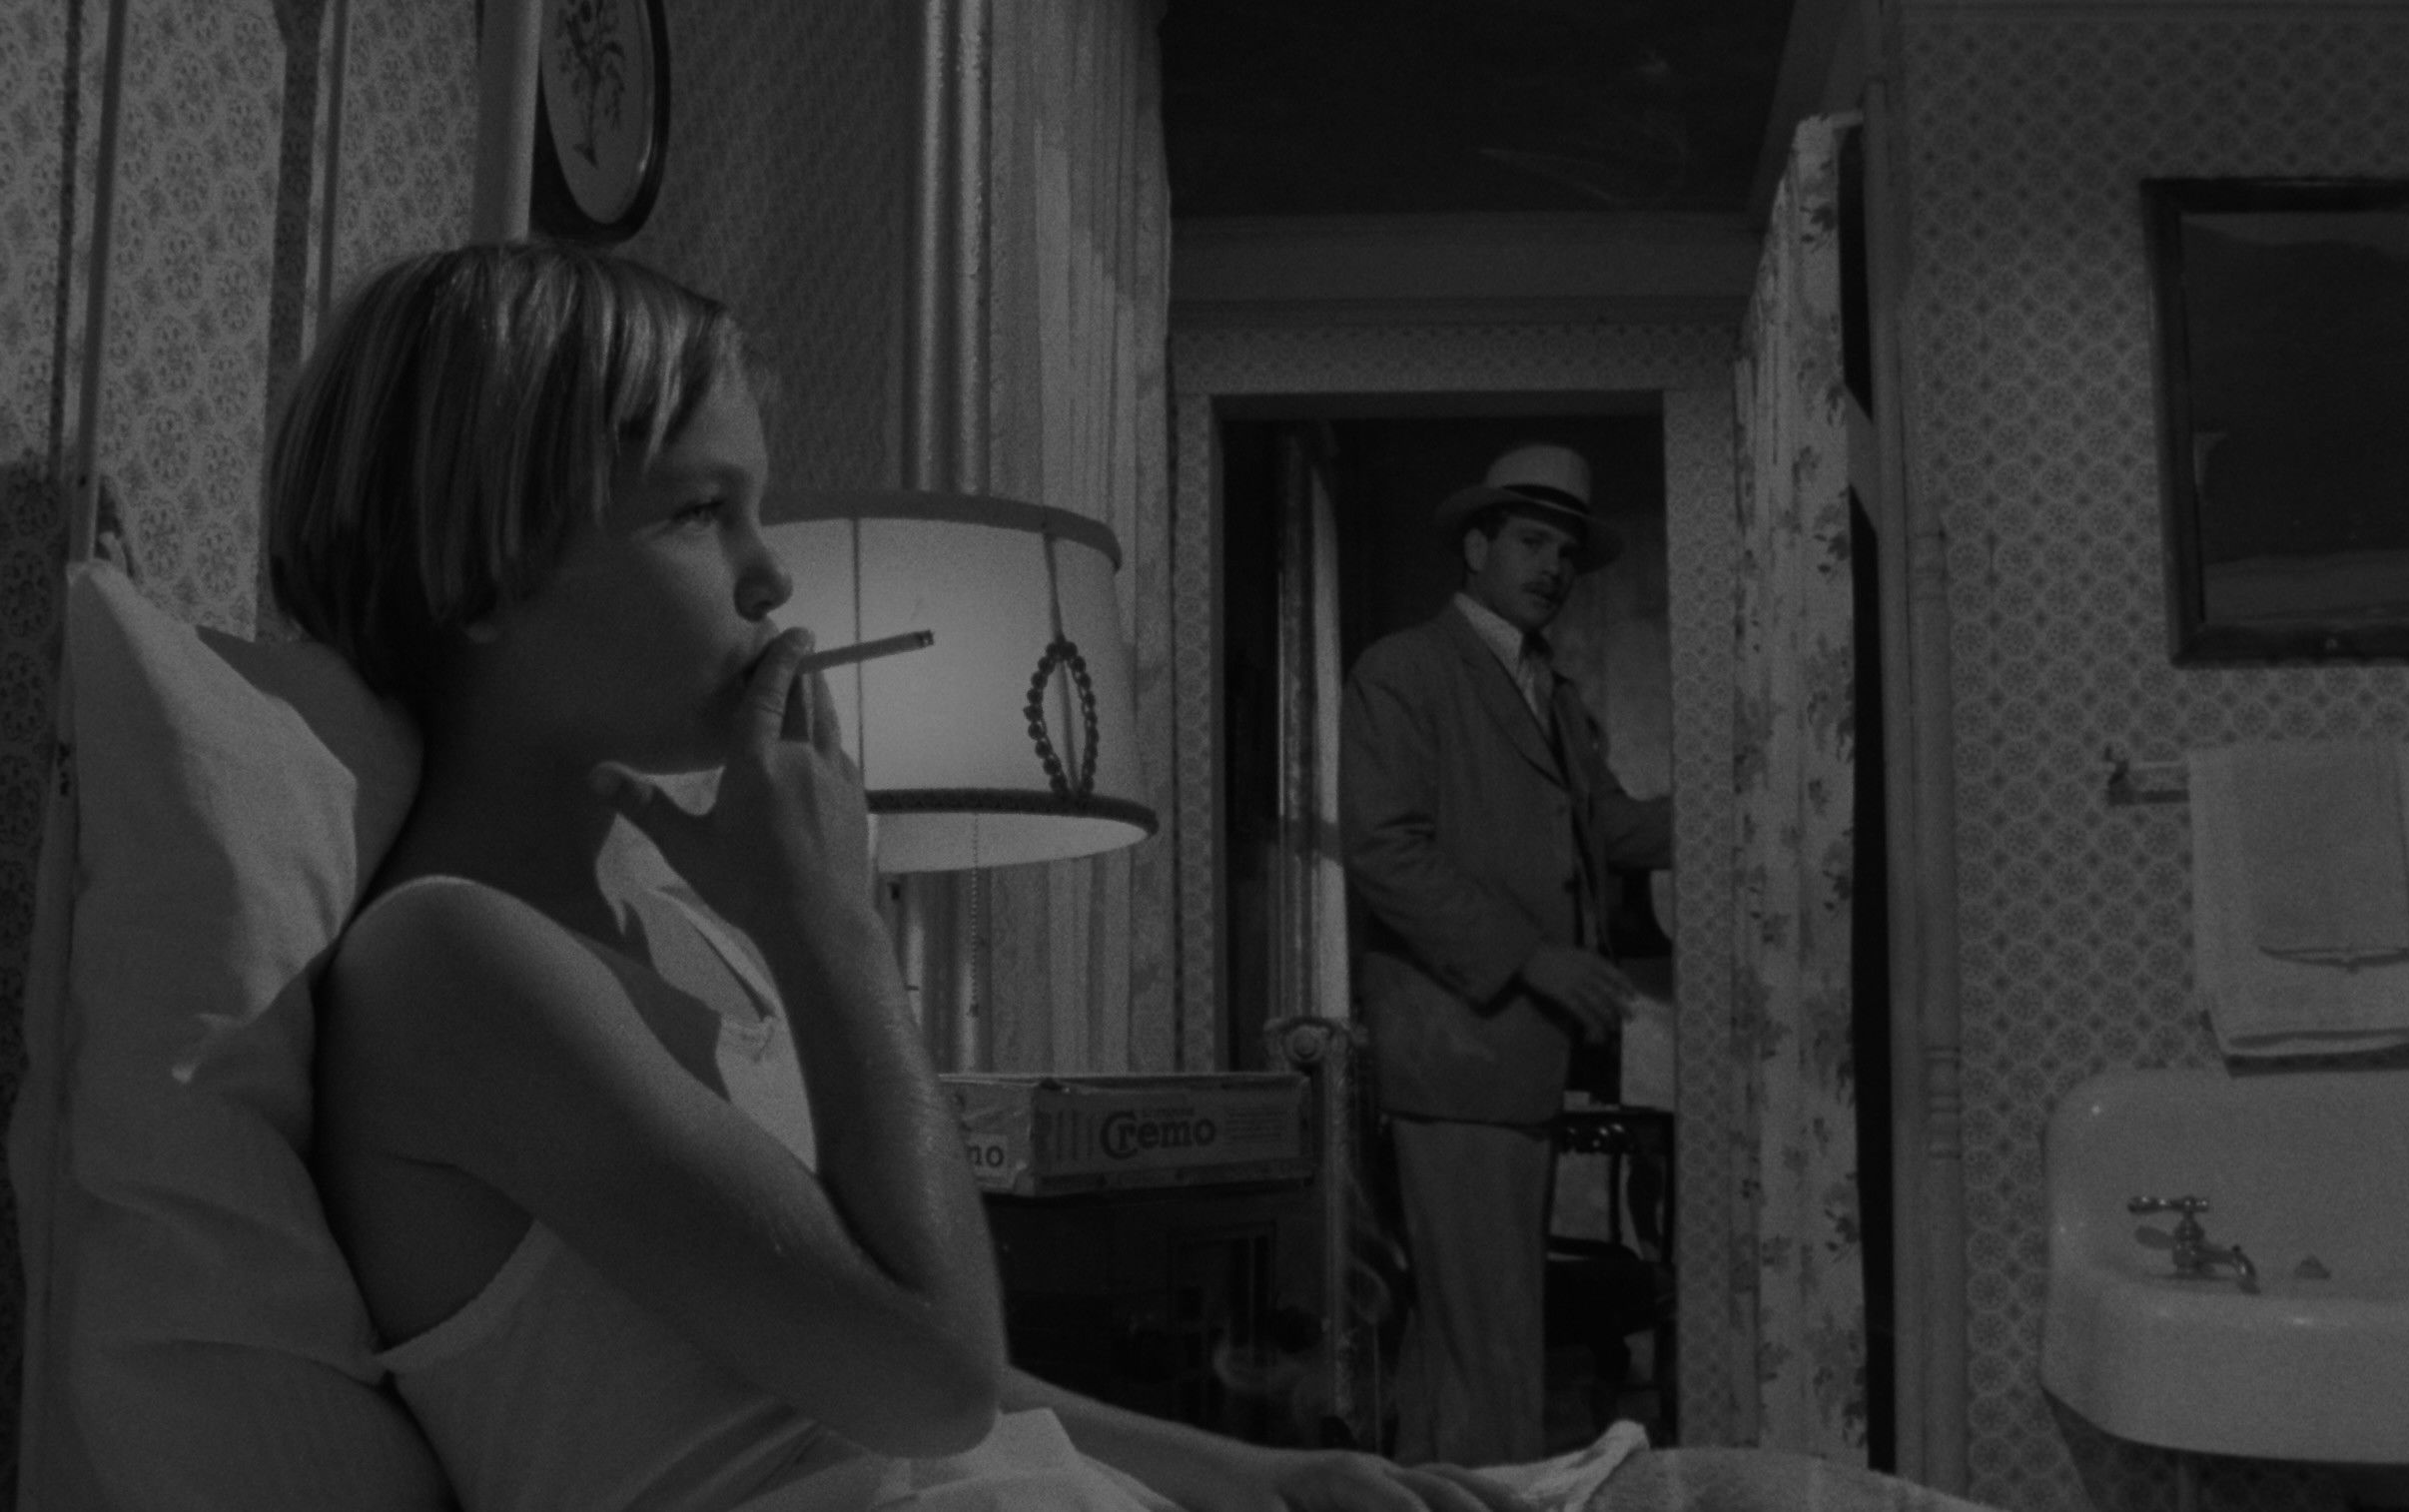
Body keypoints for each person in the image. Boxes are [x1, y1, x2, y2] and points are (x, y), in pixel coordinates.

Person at [279, 242, 1534, 1512]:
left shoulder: (676, 925)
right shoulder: (451, 958)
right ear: (478, 564)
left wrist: (1273, 1476)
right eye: (700, 512)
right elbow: (929, 1380)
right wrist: (833, 925)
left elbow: (925, 1369)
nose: (772, 575)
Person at [1337, 443, 1676, 1468]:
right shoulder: (1405, 670)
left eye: (1566, 551)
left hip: (1514, 1058)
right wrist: (1533, 958)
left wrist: (1746, 788)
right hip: (1459, 1050)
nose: (1553, 567)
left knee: (1466, 1342)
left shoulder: (1549, 688)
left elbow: (1606, 825)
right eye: (1532, 541)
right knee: (1490, 1346)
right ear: (1476, 546)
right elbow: (1385, 850)